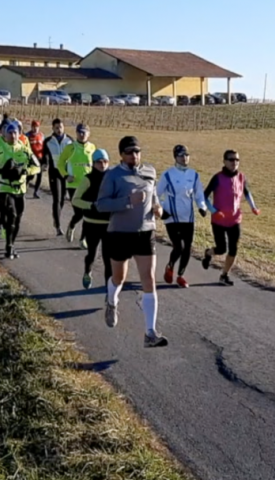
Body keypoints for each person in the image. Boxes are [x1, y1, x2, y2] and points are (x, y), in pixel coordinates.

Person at [95, 136, 168, 348]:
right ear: (121, 155)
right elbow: (101, 205)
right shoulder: (112, 176)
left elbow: (153, 195)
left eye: (137, 151)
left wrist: (157, 208)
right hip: (119, 233)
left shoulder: (150, 172)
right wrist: (128, 201)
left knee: (149, 278)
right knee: (119, 277)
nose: (134, 156)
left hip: (145, 232)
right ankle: (111, 300)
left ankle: (150, 332)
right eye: (129, 152)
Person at [201, 149, 260, 286]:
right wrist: (213, 210)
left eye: (237, 160)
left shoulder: (241, 177)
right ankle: (209, 253)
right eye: (231, 159)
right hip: (218, 220)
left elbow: (247, 193)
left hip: (235, 219)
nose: (235, 162)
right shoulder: (217, 178)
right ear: (224, 161)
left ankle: (224, 275)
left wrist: (253, 207)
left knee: (233, 249)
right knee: (221, 249)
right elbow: (205, 196)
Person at [157, 144, 208, 288]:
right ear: (175, 157)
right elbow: (156, 193)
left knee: (187, 247)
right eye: (181, 155)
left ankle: (180, 275)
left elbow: (199, 194)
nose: (184, 158)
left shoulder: (194, 175)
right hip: (171, 216)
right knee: (178, 246)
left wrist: (202, 207)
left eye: (186, 155)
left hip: (188, 217)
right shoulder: (168, 174)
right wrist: (161, 208)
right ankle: (170, 266)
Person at [0, 122, 41, 259]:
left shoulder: (25, 150)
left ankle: (11, 243)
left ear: (19, 134)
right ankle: (9, 246)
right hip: (5, 188)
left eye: (15, 133)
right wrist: (1, 171)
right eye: (10, 133)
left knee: (17, 219)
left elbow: (37, 166)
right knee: (12, 215)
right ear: (5, 135)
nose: (13, 135)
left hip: (20, 189)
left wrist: (25, 171)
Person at [72, 148, 112, 290]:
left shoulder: (112, 178)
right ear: (93, 163)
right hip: (92, 223)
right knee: (92, 254)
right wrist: (91, 205)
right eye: (99, 162)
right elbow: (75, 200)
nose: (102, 165)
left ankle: (109, 289)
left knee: (109, 259)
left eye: (105, 161)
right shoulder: (87, 179)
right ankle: (87, 272)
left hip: (109, 224)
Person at [58, 123, 96, 248]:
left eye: (84, 132)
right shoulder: (70, 148)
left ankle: (82, 239)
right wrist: (65, 175)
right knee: (79, 213)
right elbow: (60, 163)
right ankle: (72, 225)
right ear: (76, 133)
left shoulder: (92, 148)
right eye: (79, 132)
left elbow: (96, 165)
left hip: (88, 185)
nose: (82, 134)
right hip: (73, 185)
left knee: (87, 214)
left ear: (89, 134)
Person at [42, 118, 74, 235]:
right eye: (56, 128)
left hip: (66, 172)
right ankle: (58, 225)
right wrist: (44, 164)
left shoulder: (70, 141)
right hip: (54, 172)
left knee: (62, 199)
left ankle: (56, 217)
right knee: (57, 198)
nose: (59, 130)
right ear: (53, 128)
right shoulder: (48, 141)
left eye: (60, 127)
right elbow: (44, 155)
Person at [25, 120, 45, 199]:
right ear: (31, 127)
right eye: (34, 127)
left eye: (37, 127)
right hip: (31, 159)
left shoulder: (41, 135)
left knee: (39, 176)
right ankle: (25, 185)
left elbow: (44, 146)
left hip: (40, 158)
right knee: (31, 175)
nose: (35, 129)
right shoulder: (28, 135)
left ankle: (36, 192)